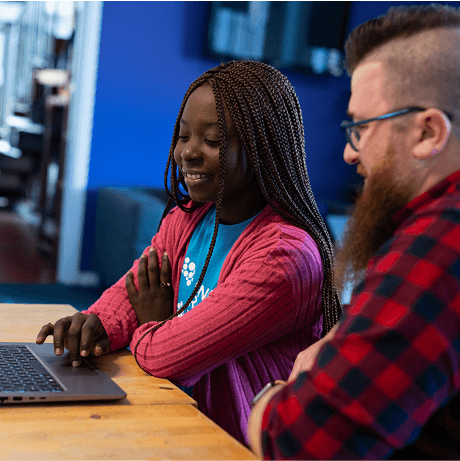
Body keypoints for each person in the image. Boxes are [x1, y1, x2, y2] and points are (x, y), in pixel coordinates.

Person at [35, 60, 341, 445]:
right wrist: (95, 323)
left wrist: (152, 325)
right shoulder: (190, 217)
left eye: (212, 141)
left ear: (264, 147)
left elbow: (166, 355)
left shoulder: (285, 257)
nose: (188, 153)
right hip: (172, 417)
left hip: (234, 442)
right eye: (183, 136)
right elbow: (136, 290)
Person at [248, 4, 460, 459]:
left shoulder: (442, 245)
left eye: (359, 129)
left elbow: (296, 441)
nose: (349, 153)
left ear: (427, 132)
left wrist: (270, 396)